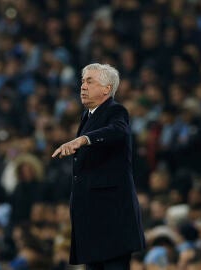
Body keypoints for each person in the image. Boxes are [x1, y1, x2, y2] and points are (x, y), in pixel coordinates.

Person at [52, 63, 145, 270]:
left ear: (107, 88)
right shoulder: (88, 115)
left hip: (112, 218)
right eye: (83, 81)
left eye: (90, 81)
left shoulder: (116, 110)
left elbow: (118, 131)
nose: (83, 86)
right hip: (92, 218)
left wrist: (83, 139)